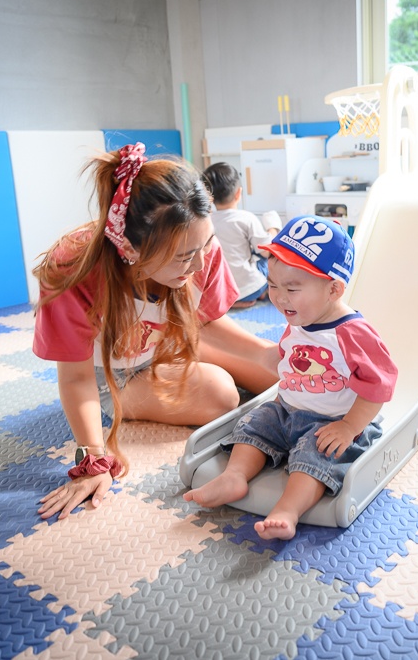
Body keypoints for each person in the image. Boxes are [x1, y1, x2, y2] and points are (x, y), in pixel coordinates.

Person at [33, 143, 277, 521]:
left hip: (170, 344)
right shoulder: (73, 270)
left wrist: (271, 353)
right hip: (112, 376)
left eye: (206, 244)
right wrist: (93, 458)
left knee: (281, 373)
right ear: (130, 248)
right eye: (183, 256)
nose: (199, 263)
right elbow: (76, 377)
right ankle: (131, 401)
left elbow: (208, 324)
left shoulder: (200, 246)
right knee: (222, 395)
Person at [183, 216, 398, 540]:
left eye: (292, 288)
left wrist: (349, 427)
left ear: (333, 289)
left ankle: (287, 509)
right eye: (272, 285)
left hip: (332, 421)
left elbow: (380, 385)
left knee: (317, 454)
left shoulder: (352, 332)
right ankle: (235, 476)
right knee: (256, 423)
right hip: (287, 410)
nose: (279, 297)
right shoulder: (299, 317)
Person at [201, 162, 280, 309]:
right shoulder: (246, 218)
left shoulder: (204, 221)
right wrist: (273, 227)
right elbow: (267, 251)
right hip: (249, 289)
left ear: (208, 197)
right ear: (238, 193)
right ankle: (260, 292)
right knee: (267, 259)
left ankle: (231, 302)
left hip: (218, 291)